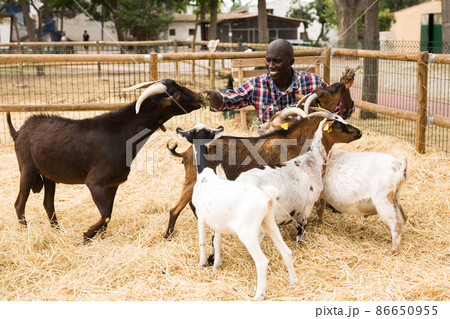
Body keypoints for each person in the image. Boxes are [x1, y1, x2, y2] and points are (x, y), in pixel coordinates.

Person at [202, 38, 355, 124]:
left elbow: (342, 112)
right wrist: (215, 96)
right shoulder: (256, 85)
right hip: (271, 145)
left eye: (277, 61)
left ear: (291, 61)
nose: (271, 66)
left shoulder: (312, 83)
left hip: (305, 147)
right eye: (268, 60)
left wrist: (344, 89)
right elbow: (227, 102)